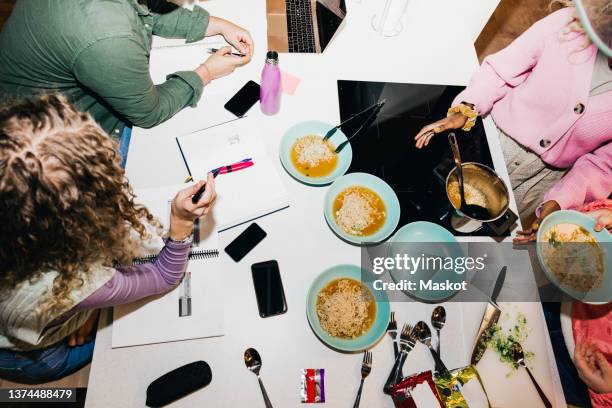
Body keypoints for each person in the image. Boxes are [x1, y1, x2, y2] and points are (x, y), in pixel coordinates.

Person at [0, 94, 216, 383]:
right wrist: (181, 221)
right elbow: (165, 276)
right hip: (33, 357)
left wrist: (81, 307)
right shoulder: (71, 282)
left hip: (26, 318)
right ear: (80, 220)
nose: (114, 160)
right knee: (110, 352)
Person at [413, 1, 611, 239]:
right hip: (486, 140)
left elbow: (602, 166)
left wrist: (560, 201)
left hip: (535, 182)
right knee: (425, 205)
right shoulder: (568, 24)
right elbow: (500, 72)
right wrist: (465, 108)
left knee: (469, 238)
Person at [0, 0, 254, 162]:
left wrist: (215, 25)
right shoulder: (108, 37)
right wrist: (207, 72)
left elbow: (144, 8)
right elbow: (149, 112)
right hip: (50, 144)